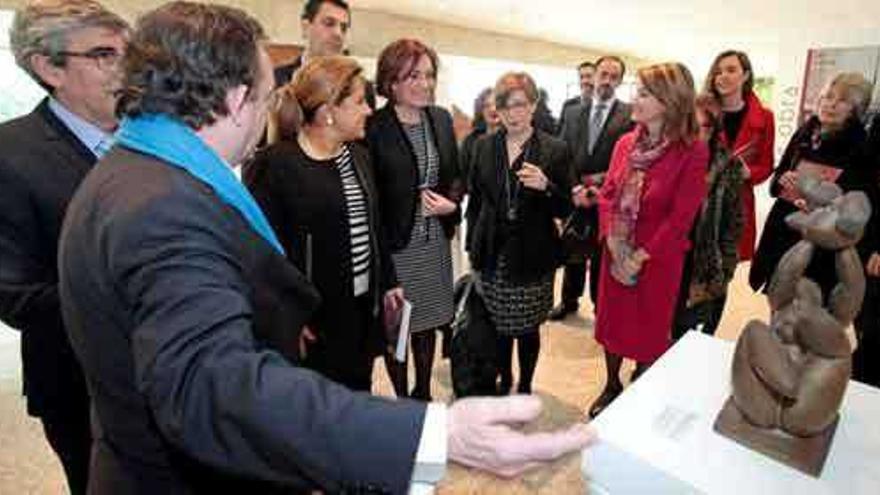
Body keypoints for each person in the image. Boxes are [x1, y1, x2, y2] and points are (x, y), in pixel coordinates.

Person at [57, 3, 593, 493]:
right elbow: (212, 388)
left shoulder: (139, 171)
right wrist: (435, 435)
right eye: (269, 97)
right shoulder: (161, 206)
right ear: (238, 99)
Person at [0, 2, 128, 493]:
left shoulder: (148, 136)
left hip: (163, 376)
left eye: (126, 54)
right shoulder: (11, 156)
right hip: (80, 387)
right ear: (49, 67)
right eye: (103, 55)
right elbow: (16, 295)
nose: (125, 70)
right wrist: (136, 291)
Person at [245, 56, 402, 392]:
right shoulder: (276, 165)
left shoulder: (359, 156)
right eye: (359, 102)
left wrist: (389, 283)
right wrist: (286, 317)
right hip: (313, 320)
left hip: (361, 311)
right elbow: (258, 254)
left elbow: (375, 228)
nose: (369, 111)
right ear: (329, 110)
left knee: (357, 395)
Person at [581, 62, 708, 418]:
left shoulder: (692, 151)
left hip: (657, 260)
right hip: (615, 251)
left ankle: (644, 385)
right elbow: (607, 193)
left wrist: (640, 255)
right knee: (612, 323)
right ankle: (611, 384)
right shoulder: (625, 143)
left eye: (644, 93)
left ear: (669, 101)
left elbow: (681, 216)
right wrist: (611, 239)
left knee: (648, 330)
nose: (634, 98)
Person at [750, 73, 879, 373]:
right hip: (785, 236)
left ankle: (800, 383)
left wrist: (823, 202)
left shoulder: (863, 148)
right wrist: (785, 182)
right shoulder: (806, 132)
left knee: (811, 320)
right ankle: (775, 374)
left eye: (842, 101)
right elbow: (776, 182)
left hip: (822, 250)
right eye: (828, 97)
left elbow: (861, 203)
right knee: (780, 311)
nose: (831, 105)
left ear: (856, 110)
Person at [367, 38, 464, 401]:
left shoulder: (439, 118)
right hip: (397, 248)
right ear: (391, 82)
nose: (425, 84)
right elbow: (371, 195)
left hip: (435, 243)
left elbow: (455, 175)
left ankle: (424, 393)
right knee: (399, 331)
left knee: (428, 326)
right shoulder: (374, 127)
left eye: (429, 75)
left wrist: (451, 205)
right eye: (413, 76)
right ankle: (403, 400)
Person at [466, 72, 574, 395]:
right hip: (493, 251)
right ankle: (505, 377)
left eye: (519, 105)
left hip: (533, 253)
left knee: (527, 329)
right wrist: (474, 248)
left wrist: (546, 187)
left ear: (533, 106)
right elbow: (476, 202)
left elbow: (566, 207)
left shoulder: (555, 150)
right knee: (498, 326)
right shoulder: (484, 146)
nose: (512, 114)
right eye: (504, 106)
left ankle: (525, 383)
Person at [551, 55, 634, 320]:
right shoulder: (572, 110)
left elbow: (631, 157)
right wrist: (575, 187)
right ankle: (568, 301)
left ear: (620, 81)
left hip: (608, 196)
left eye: (613, 77)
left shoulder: (630, 114)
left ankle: (602, 307)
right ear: (594, 75)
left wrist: (604, 185)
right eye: (603, 75)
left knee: (602, 255)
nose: (606, 81)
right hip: (575, 194)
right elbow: (562, 151)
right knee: (573, 247)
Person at [672, 93, 745, 339]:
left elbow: (733, 224)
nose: (696, 134)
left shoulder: (728, 165)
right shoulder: (670, 157)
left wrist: (724, 271)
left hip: (702, 262)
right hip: (668, 255)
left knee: (688, 330)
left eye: (704, 127)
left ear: (714, 129)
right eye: (691, 125)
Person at [703, 50, 775, 262]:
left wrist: (747, 172)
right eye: (718, 71)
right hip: (702, 196)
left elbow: (766, 164)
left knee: (727, 266)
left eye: (731, 70)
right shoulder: (701, 111)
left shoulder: (765, 118)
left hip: (738, 202)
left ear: (745, 75)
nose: (722, 76)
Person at [274, 0, 350, 86]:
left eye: (343, 28)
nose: (338, 34)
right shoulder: (273, 81)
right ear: (306, 27)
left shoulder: (361, 89)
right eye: (329, 23)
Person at [460, 87, 501, 186]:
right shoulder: (470, 141)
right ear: (481, 111)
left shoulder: (515, 138)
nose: (493, 109)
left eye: (497, 105)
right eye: (487, 106)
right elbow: (462, 175)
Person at [557, 60, 595, 132]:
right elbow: (560, 134)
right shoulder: (568, 105)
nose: (585, 81)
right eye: (581, 77)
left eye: (589, 76)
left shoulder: (602, 107)